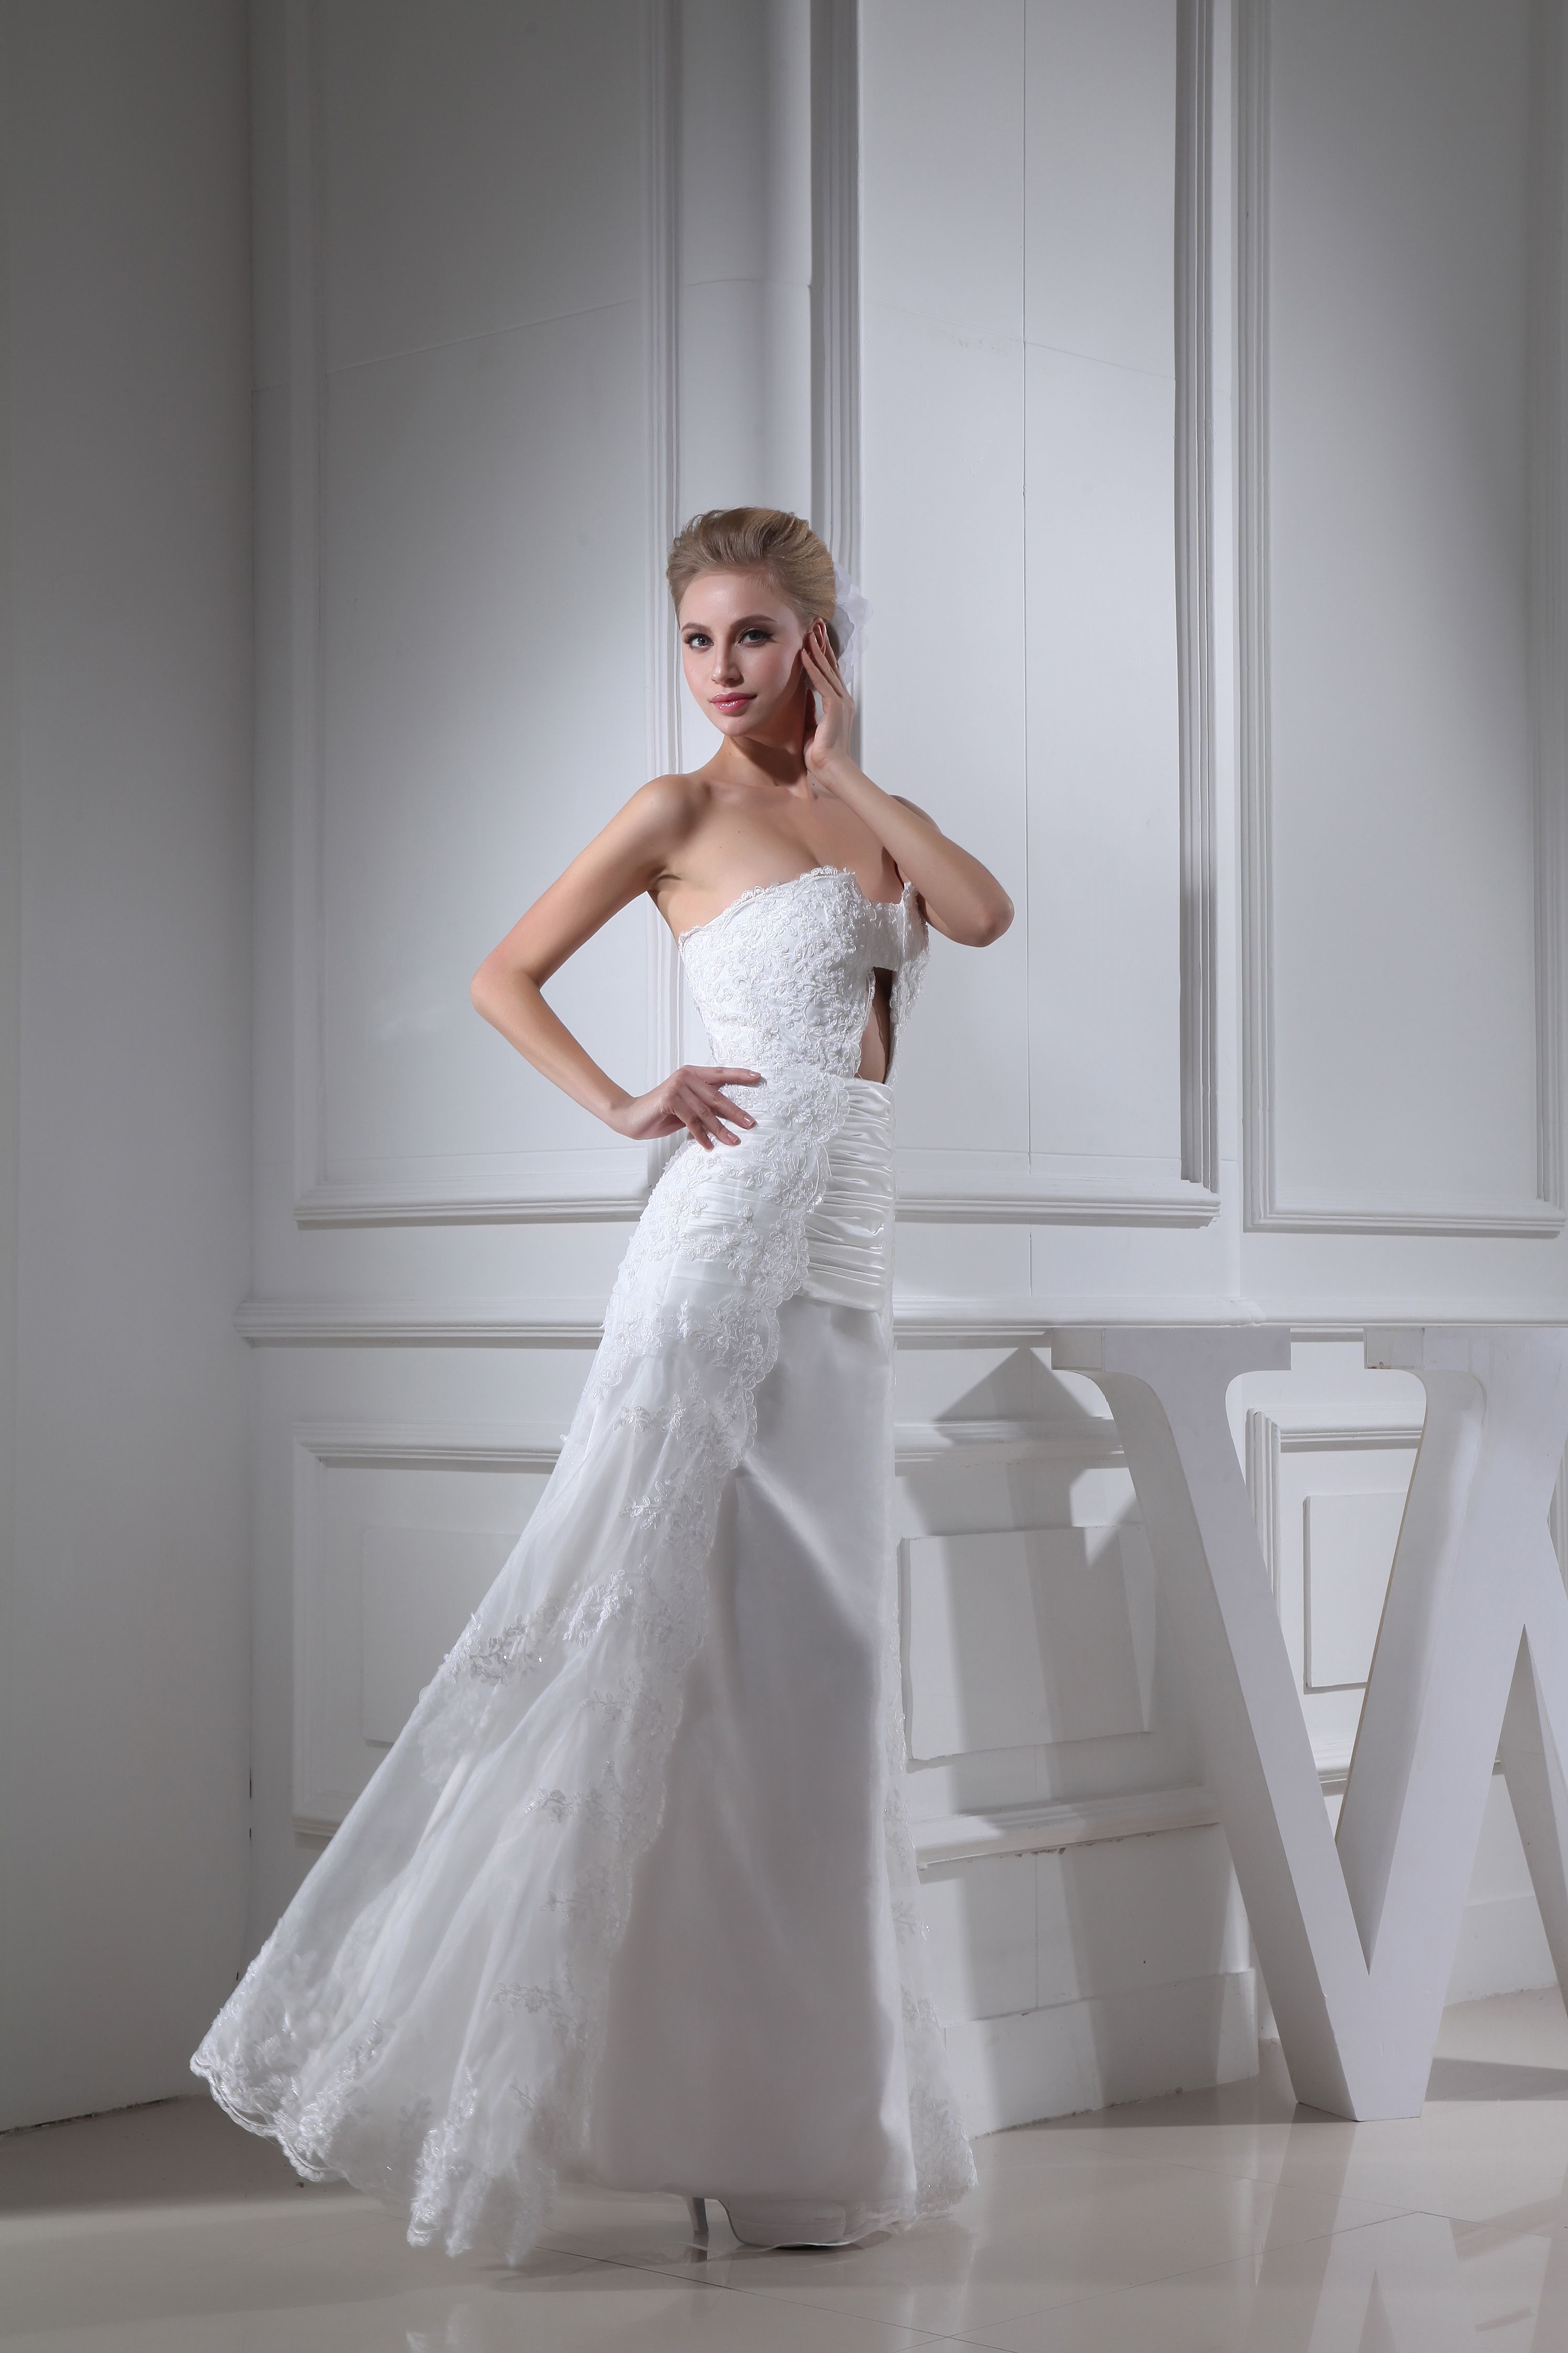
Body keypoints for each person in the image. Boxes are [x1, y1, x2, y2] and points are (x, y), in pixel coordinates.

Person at [191, 505, 1012, 2265]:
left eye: (755, 636)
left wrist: (847, 770)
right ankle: (637, 2109)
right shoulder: (673, 814)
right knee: (655, 1654)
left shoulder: (858, 810)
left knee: (808, 1693)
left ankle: (781, 2132)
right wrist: (625, 1100)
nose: (721, 670)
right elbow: (502, 976)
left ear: (819, 643)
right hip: (722, 1256)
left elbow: (978, 914)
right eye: (698, 639)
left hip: (848, 1268)